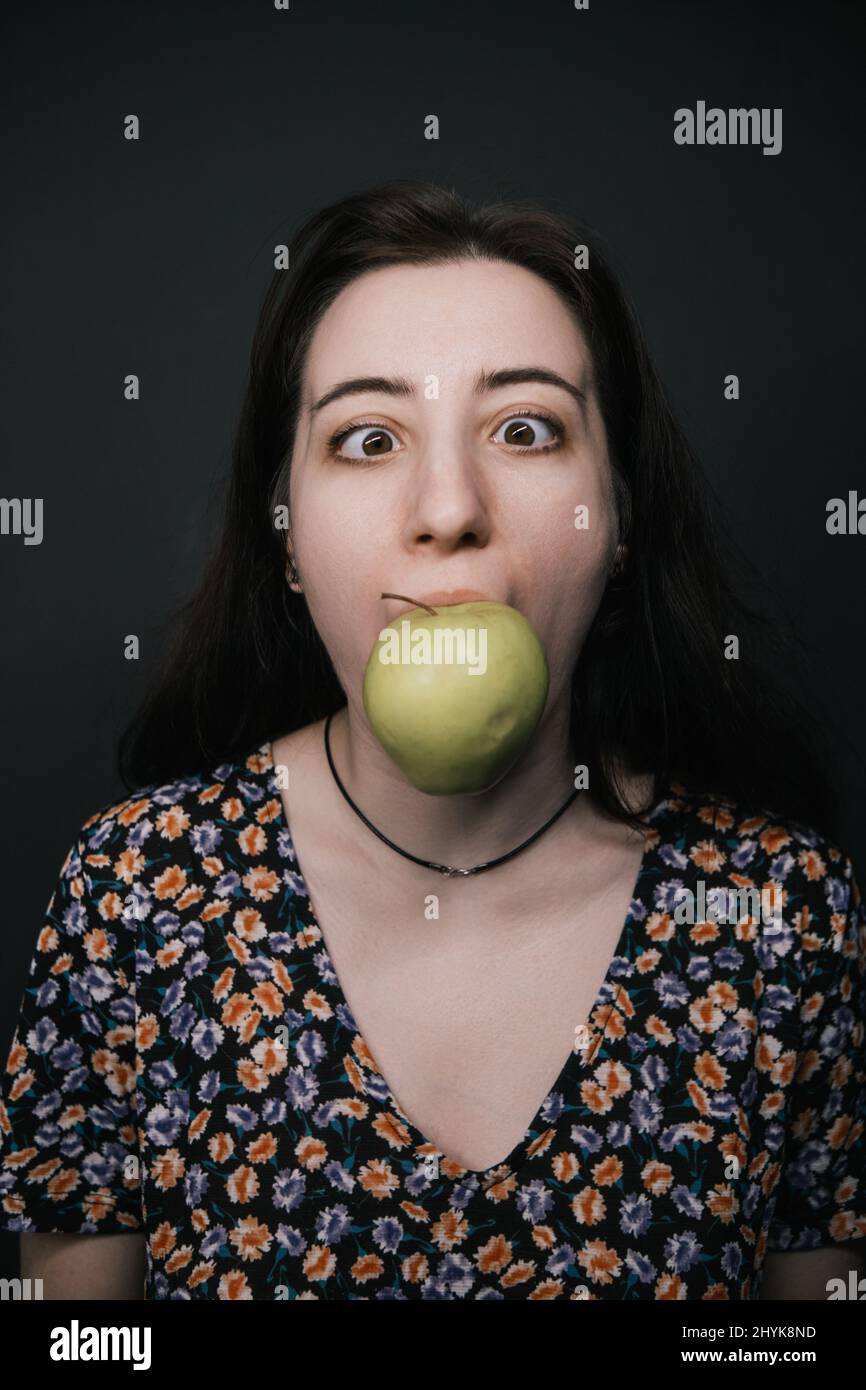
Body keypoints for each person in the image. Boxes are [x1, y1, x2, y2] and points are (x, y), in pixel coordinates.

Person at [2, 180, 864, 1301]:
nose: (447, 505)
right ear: (287, 537)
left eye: (524, 428)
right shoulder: (132, 894)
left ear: (614, 520)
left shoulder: (781, 920)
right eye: (366, 437)